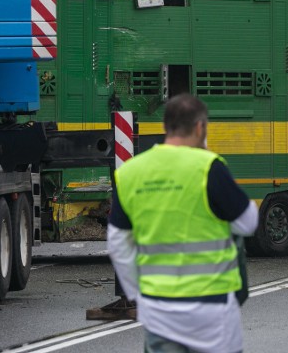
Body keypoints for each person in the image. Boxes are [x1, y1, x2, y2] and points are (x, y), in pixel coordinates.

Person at [107, 94, 258, 353]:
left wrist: (137, 294)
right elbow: (248, 223)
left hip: (159, 309)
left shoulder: (131, 172)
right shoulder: (209, 167)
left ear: (166, 127)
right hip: (212, 309)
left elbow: (118, 243)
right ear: (200, 127)